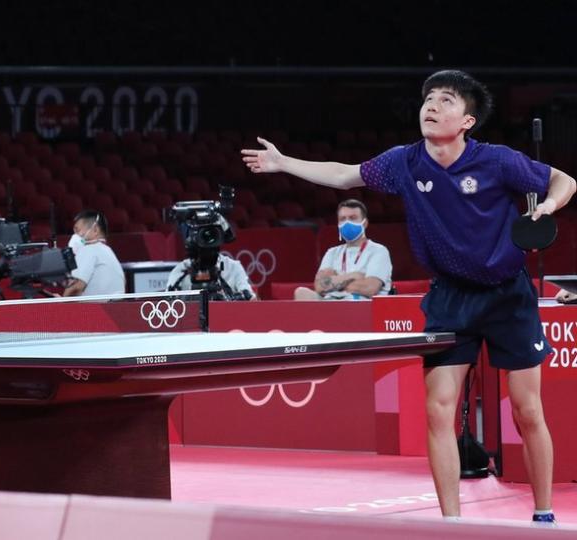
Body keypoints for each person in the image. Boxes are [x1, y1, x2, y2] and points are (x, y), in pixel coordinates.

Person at [242, 69, 576, 524]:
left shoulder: (497, 161)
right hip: (449, 298)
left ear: (467, 121)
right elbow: (345, 176)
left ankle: (544, 515)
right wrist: (285, 163)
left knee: (527, 408)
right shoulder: (405, 162)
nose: (432, 106)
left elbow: (564, 180)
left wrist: (548, 206)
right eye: (428, 99)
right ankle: (452, 525)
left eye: (445, 100)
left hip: (507, 295)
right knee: (438, 410)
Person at [293, 199, 392, 301]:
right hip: (331, 302)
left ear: (365, 223)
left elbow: (370, 288)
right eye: (343, 219)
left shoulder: (378, 251)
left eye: (352, 218)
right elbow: (319, 287)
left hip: (360, 304)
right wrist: (354, 276)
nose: (347, 223)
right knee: (301, 293)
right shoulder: (332, 252)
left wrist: (334, 280)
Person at [166, 216, 256, 300]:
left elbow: (251, 300)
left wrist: (228, 299)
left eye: (211, 233)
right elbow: (168, 305)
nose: (207, 238)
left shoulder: (233, 267)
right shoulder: (182, 270)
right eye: (203, 234)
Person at [62, 210, 125, 296]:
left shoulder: (88, 250)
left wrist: (61, 302)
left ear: (95, 229)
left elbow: (76, 288)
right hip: (113, 307)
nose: (75, 235)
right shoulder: (108, 251)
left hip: (94, 308)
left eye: (78, 230)